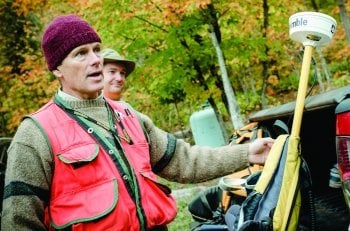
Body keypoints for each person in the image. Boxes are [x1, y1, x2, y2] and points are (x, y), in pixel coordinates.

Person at [1, 14, 274, 231]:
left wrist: (248, 152)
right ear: (57, 69)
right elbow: (19, 221)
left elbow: (185, 161)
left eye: (96, 49)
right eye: (80, 53)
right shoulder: (35, 134)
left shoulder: (128, 116)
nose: (96, 60)